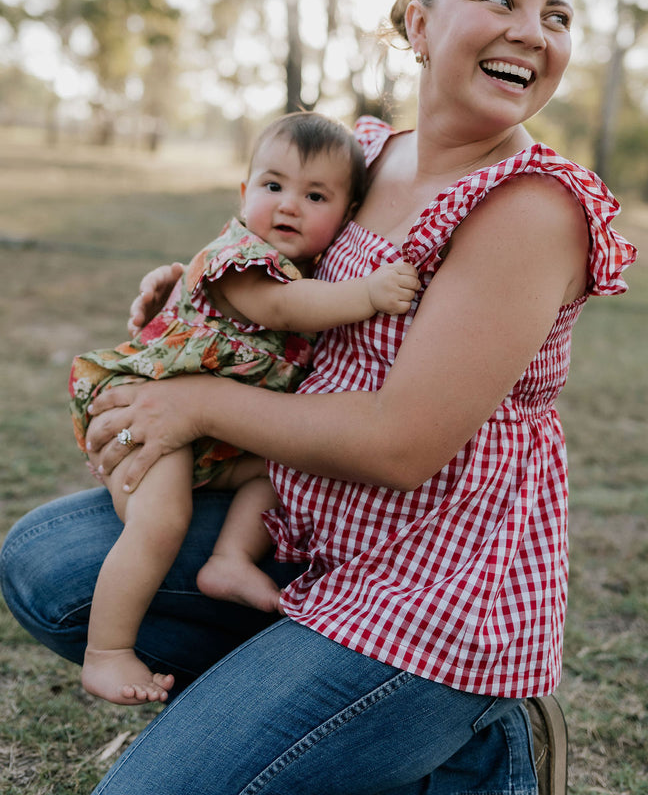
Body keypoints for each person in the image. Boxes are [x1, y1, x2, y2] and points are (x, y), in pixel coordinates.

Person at [0, 0, 637, 795]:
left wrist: (197, 404)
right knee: (47, 561)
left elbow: (399, 443)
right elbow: (272, 253)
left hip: (430, 588)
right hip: (299, 524)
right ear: (418, 25)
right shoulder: (366, 154)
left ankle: (473, 731)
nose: (533, 30)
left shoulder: (530, 210)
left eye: (557, 16)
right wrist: (194, 285)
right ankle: (348, 724)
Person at [68, 111, 420, 705]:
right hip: (157, 419)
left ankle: (229, 559)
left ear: (348, 214)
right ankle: (107, 652)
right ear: (244, 192)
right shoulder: (244, 261)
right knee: (162, 520)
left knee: (278, 472)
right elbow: (283, 310)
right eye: (272, 186)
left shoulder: (303, 270)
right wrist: (367, 294)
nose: (288, 206)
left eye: (315, 195)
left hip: (214, 437)